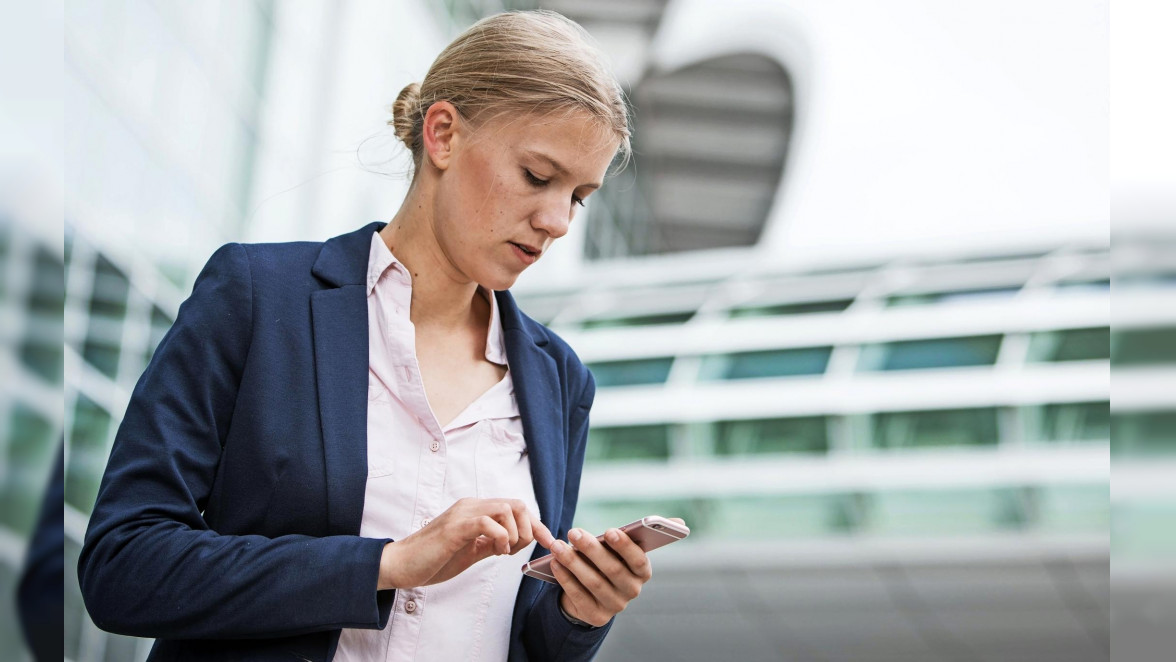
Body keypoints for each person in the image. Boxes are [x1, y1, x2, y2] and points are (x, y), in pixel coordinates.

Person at [78, 10, 673, 662]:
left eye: (579, 196)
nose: (558, 220)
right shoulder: (256, 297)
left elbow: (519, 638)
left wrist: (577, 612)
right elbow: (123, 565)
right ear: (442, 134)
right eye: (538, 176)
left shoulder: (559, 381)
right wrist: (386, 565)